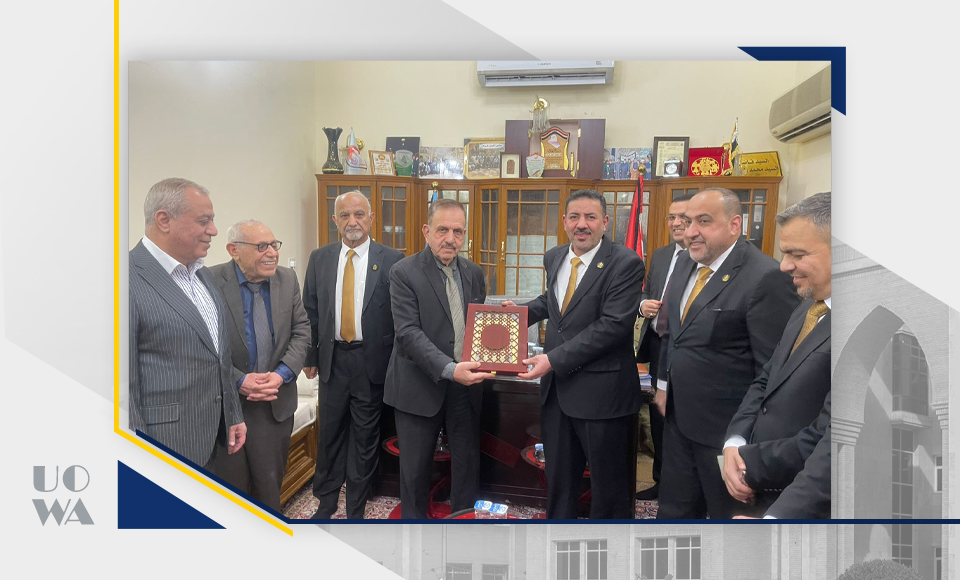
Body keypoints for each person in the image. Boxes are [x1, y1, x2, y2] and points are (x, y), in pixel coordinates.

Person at [655, 188, 800, 519]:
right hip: (678, 422)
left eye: (704, 221)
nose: (691, 231)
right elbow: (674, 335)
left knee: (727, 526)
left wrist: (748, 445)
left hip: (727, 437)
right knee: (674, 517)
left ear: (735, 224)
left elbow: (774, 372)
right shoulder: (685, 263)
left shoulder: (765, 277)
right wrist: (663, 384)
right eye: (688, 221)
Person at [517, 189, 646, 519]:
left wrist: (552, 360)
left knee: (609, 487)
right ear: (564, 222)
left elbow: (612, 326)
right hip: (557, 394)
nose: (582, 224)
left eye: (590, 217)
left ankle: (609, 546)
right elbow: (555, 303)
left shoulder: (626, 263)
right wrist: (517, 315)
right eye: (574, 217)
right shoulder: (555, 257)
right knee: (559, 479)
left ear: (605, 222)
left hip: (603, 396)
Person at [722, 192, 832, 517]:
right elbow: (767, 379)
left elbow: (833, 437)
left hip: (808, 502)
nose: (784, 266)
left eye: (797, 254)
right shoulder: (806, 308)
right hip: (767, 487)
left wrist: (750, 463)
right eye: (784, 254)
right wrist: (735, 442)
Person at [384, 198, 492, 519]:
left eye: (458, 232)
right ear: (426, 231)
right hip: (419, 387)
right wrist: (449, 369)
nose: (450, 239)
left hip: (465, 389)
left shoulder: (474, 273)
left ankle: (462, 528)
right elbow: (408, 333)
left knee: (467, 467)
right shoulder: (403, 272)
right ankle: (415, 539)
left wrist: (499, 326)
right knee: (415, 473)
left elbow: (476, 327)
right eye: (442, 229)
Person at [129, 177, 246, 470]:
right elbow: (120, 388)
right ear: (164, 220)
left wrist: (233, 414)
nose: (214, 230)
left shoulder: (202, 275)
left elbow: (219, 356)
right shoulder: (124, 278)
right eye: (204, 221)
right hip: (163, 445)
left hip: (215, 439)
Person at [302, 191, 403, 519]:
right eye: (345, 215)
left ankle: (356, 510)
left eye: (359, 214)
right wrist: (310, 356)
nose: (352, 222)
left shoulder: (392, 259)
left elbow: (400, 315)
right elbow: (310, 310)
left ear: (371, 218)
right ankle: (326, 503)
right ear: (335, 220)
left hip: (371, 362)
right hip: (332, 360)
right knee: (329, 436)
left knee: (364, 439)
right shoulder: (320, 258)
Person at [208, 220, 310, 512]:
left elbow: (301, 330)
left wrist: (281, 375)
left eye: (274, 245)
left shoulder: (287, 279)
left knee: (269, 490)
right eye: (262, 246)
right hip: (226, 405)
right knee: (230, 493)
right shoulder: (209, 281)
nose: (272, 253)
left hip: (273, 405)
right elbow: (203, 343)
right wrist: (239, 380)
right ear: (234, 250)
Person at [635, 192, 694, 501]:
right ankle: (661, 480)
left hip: (689, 352)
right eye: (672, 217)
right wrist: (643, 303)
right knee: (659, 415)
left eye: (684, 217)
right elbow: (644, 291)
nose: (676, 223)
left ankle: (687, 486)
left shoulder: (703, 257)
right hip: (659, 346)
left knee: (685, 418)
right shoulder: (660, 255)